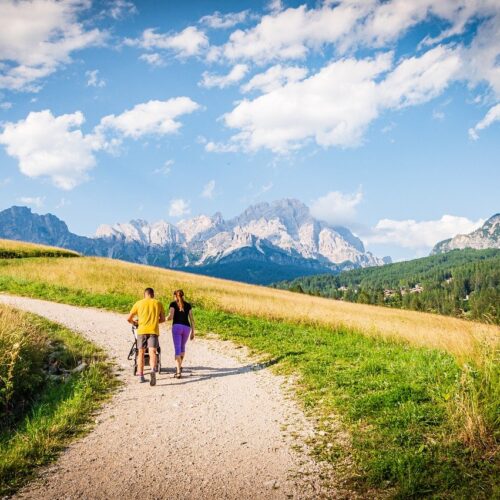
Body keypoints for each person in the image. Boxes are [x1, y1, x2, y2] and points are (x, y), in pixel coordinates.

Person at [127, 287, 165, 385]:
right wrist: (154, 321)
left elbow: (129, 318)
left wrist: (135, 323)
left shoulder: (138, 303)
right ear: (153, 294)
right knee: (152, 351)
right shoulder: (158, 303)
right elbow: (163, 319)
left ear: (145, 294)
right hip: (153, 331)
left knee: (141, 353)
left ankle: (141, 376)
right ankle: (153, 369)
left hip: (141, 331)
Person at [167, 289, 195, 378]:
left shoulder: (173, 304)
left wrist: (164, 318)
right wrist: (193, 332)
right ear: (183, 296)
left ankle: (178, 372)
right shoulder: (188, 305)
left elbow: (171, 317)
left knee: (177, 349)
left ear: (175, 296)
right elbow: (192, 319)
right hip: (187, 328)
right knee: (182, 348)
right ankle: (179, 366)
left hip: (177, 327)